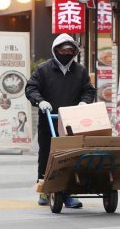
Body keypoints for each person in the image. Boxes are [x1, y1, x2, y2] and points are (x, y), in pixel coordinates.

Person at [25, 34, 95, 208]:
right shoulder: (43, 69)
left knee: (71, 156)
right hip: (48, 118)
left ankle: (69, 192)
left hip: (72, 121)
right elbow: (31, 88)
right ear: (56, 51)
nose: (66, 53)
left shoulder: (80, 70)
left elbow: (89, 90)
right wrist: (40, 101)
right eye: (63, 50)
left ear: (75, 51)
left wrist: (84, 102)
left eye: (70, 50)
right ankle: (44, 188)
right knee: (47, 153)